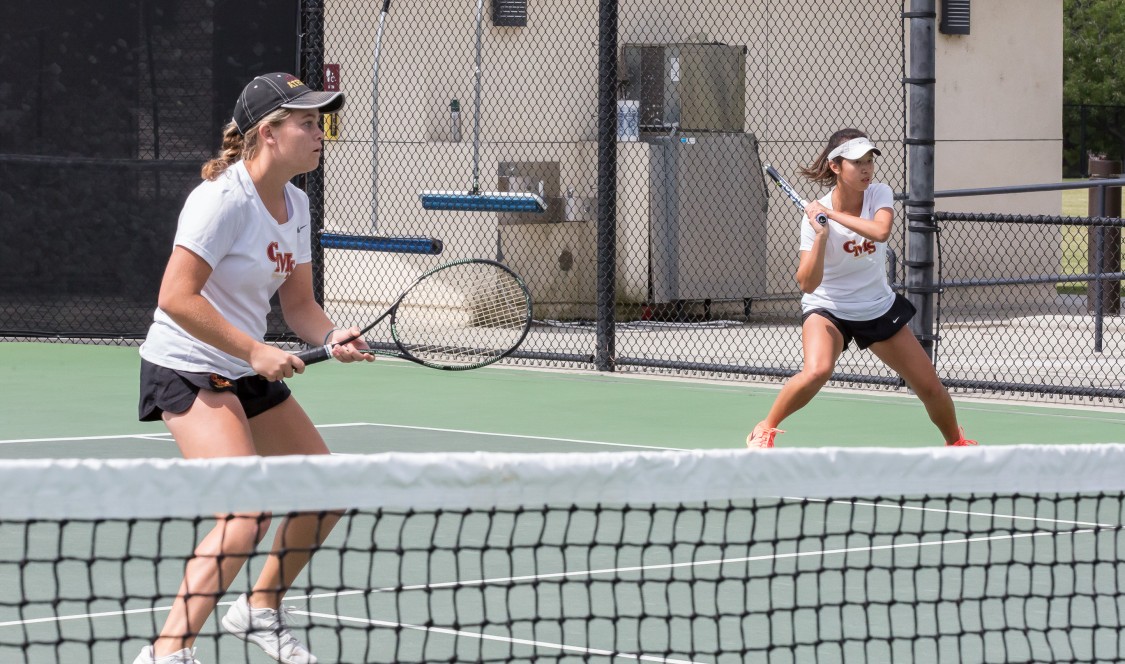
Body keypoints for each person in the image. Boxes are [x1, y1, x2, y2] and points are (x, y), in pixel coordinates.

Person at [132, 73, 374, 664]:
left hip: (243, 368)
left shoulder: (297, 203)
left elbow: (299, 306)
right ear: (268, 133)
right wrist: (255, 353)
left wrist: (331, 335)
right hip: (186, 365)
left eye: (320, 123)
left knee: (326, 490)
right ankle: (166, 653)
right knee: (245, 517)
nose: (321, 135)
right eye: (308, 123)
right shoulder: (220, 200)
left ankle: (258, 611)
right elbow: (175, 298)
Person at [746, 129, 977, 449]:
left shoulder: (878, 193)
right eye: (858, 162)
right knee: (817, 370)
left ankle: (957, 444)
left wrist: (833, 217)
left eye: (870, 160)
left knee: (929, 387)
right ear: (836, 167)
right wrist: (823, 235)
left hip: (876, 306)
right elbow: (807, 283)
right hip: (828, 307)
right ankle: (764, 429)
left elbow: (880, 232)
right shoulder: (813, 220)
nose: (867, 168)